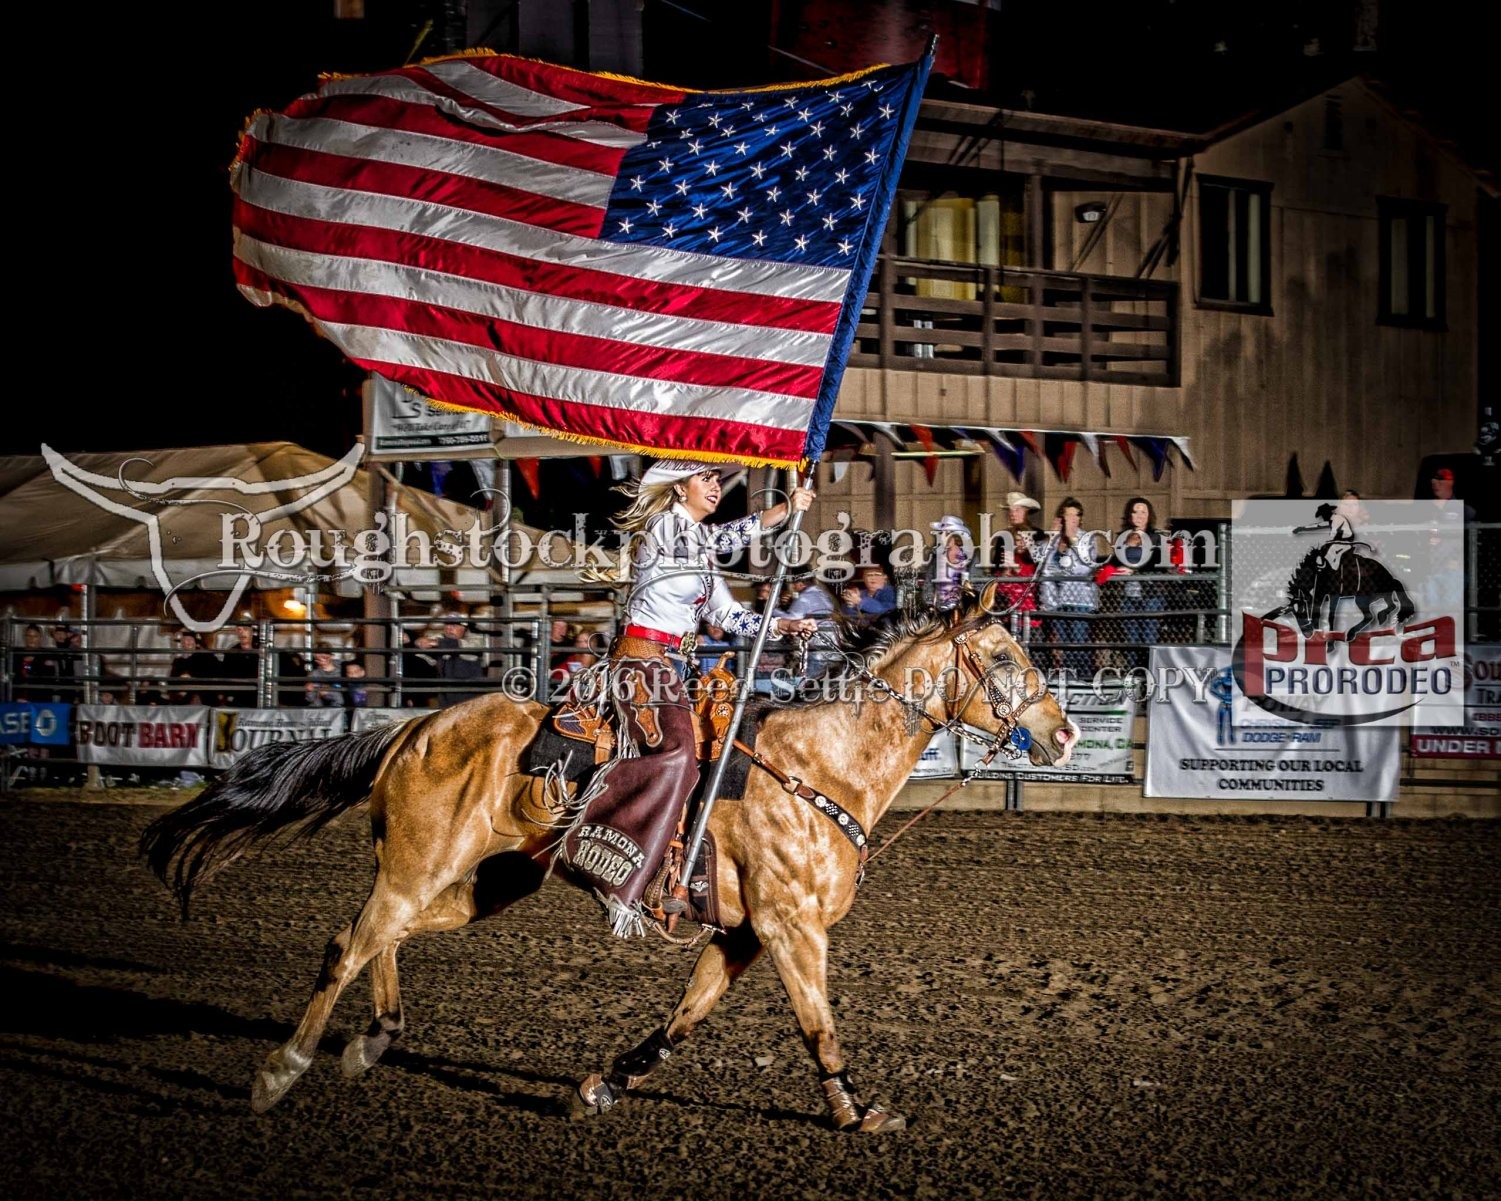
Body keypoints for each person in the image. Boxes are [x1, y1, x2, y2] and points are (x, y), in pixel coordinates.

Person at [566, 458, 815, 934]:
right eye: (706, 478)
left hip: (676, 665)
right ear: (679, 490)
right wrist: (779, 513)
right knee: (678, 754)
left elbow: (729, 615)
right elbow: (721, 538)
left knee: (718, 750)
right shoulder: (665, 528)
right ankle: (622, 872)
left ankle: (683, 860)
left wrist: (780, 625)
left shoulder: (700, 555)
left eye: (718, 478)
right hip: (641, 659)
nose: (716, 486)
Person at [1038, 497, 1108, 682]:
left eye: (1075, 516)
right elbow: (1041, 564)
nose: (1071, 520)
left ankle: (1083, 680)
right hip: (1059, 600)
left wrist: (1073, 540)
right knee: (1062, 645)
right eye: (1067, 515)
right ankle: (1068, 681)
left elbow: (1085, 567)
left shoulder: (1087, 538)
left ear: (1080, 519)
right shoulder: (1055, 540)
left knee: (1079, 642)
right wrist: (1050, 538)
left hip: (1081, 601)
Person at [1111, 497, 1171, 669]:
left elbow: (1161, 565)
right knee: (1131, 640)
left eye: (1143, 512)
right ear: (1130, 515)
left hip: (1151, 595)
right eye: (1135, 511)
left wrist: (1135, 570)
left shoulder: (1157, 538)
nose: (1139, 515)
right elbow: (1115, 561)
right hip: (1130, 595)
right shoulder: (1123, 538)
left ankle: (1148, 675)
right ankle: (1134, 674)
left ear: (1149, 515)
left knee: (1148, 638)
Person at [773, 576, 839, 691]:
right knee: (831, 673)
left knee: (813, 676)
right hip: (833, 636)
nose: (793, 587)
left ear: (800, 583)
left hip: (818, 638)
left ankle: (808, 695)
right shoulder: (823, 594)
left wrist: (773, 610)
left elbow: (794, 618)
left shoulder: (805, 598)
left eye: (794, 583)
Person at [992, 491, 1043, 629]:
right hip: (1008, 602)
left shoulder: (1038, 536)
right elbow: (995, 568)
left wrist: (1015, 568)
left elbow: (1040, 567)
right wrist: (1004, 570)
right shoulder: (1003, 538)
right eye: (1010, 510)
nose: (1012, 513)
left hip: (1033, 601)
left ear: (1026, 511)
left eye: (1017, 510)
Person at [436, 613, 484, 708]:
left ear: (464, 628)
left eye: (454, 625)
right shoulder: (442, 642)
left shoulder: (476, 640)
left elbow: (460, 645)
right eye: (447, 625)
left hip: (469, 699)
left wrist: (435, 643)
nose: (449, 629)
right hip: (447, 699)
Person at [928, 514, 974, 610]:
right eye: (942, 533)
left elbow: (975, 584)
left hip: (961, 608)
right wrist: (930, 601)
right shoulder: (937, 556)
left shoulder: (969, 557)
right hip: (938, 608)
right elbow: (929, 582)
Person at [168, 630, 221, 705]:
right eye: (186, 640)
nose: (189, 642)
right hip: (183, 699)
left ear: (196, 643)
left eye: (191, 639)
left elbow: (214, 674)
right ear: (182, 644)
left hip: (204, 695)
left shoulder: (206, 657)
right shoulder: (178, 661)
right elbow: (171, 681)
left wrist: (191, 679)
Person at [840, 563, 898, 628]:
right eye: (869, 575)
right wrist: (850, 603)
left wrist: (859, 601)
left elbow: (883, 610)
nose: (873, 578)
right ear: (863, 578)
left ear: (885, 577)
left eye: (877, 574)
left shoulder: (891, 591)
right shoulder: (861, 593)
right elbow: (846, 614)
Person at [220, 621, 260, 707]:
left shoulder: (262, 649)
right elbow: (226, 676)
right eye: (239, 630)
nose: (242, 632)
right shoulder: (231, 653)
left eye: (245, 629)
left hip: (259, 693)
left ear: (252, 631)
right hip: (239, 695)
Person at [399, 628, 440, 708]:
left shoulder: (421, 649)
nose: (403, 637)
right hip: (417, 692)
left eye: (405, 634)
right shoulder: (405, 655)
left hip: (428, 691)